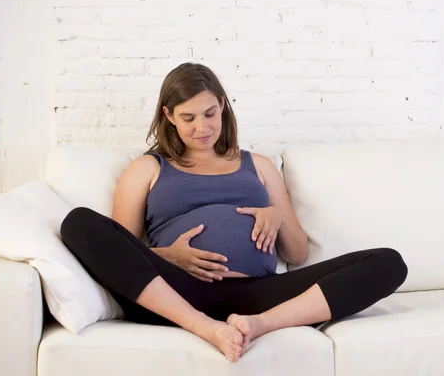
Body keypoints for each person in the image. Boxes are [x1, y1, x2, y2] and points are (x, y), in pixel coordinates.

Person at [60, 62, 409, 363]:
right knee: (79, 222)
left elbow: (298, 254)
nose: (202, 128)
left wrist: (277, 214)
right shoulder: (147, 168)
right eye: (188, 118)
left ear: (224, 106)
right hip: (177, 292)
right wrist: (170, 256)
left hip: (259, 296)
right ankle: (204, 326)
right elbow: (121, 248)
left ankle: (258, 326)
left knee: (388, 263)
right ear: (168, 116)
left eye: (210, 113)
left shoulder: (258, 165)